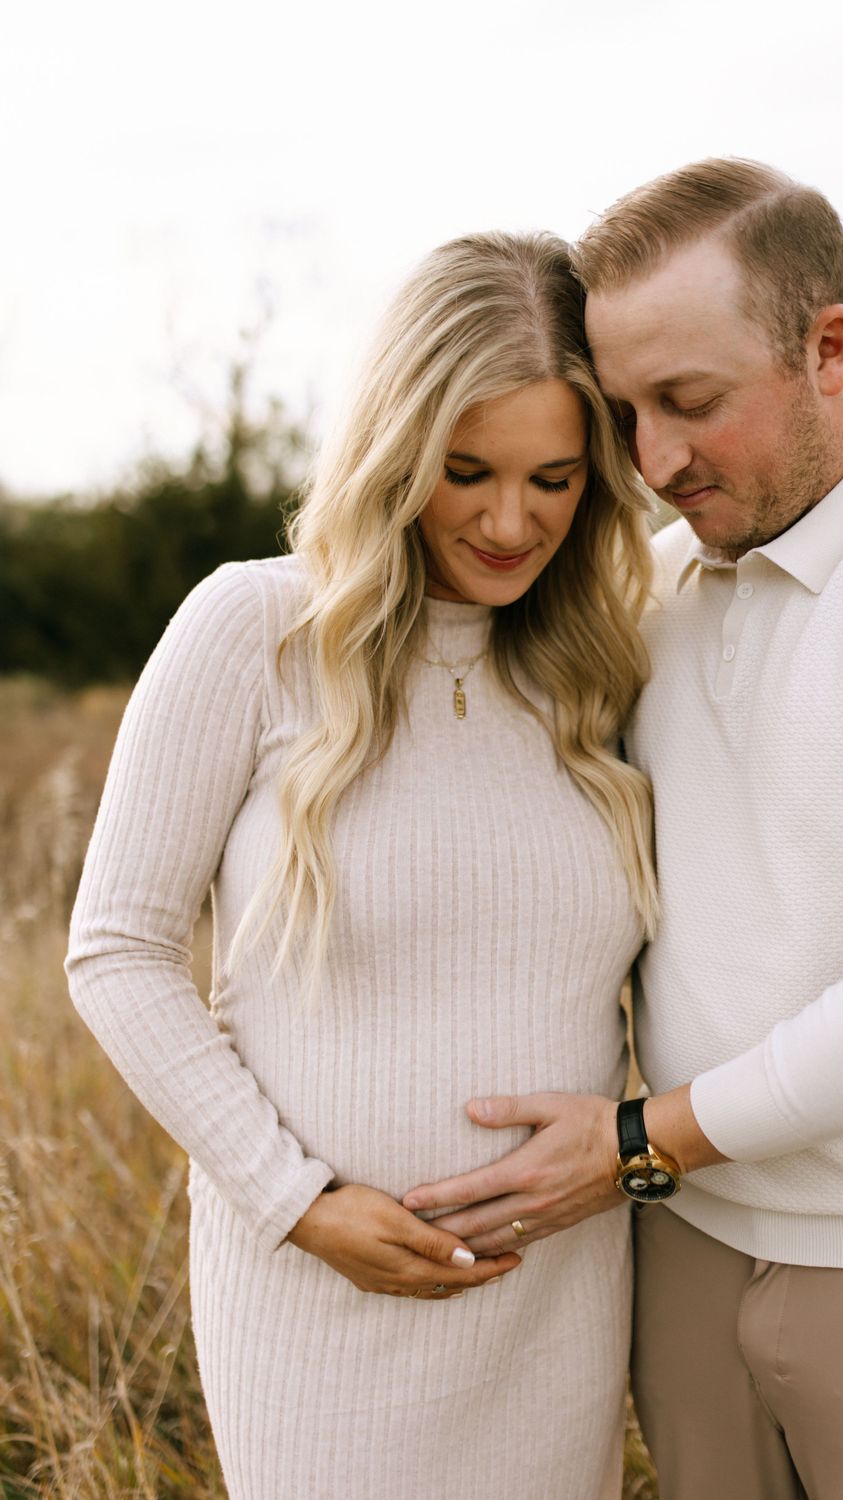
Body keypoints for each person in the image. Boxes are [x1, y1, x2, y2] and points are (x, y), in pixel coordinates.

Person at [402, 161, 843, 1499]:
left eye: (690, 402)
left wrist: (637, 1142)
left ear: (828, 349)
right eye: (623, 413)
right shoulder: (657, 589)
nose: (654, 461)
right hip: (682, 1249)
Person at [65, 230, 660, 1499]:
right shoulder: (255, 629)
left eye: (554, 479)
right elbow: (116, 950)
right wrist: (297, 1201)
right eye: (465, 472)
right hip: (315, 1294)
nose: (511, 522)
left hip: (554, 1301)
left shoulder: (599, 668)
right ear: (395, 447)